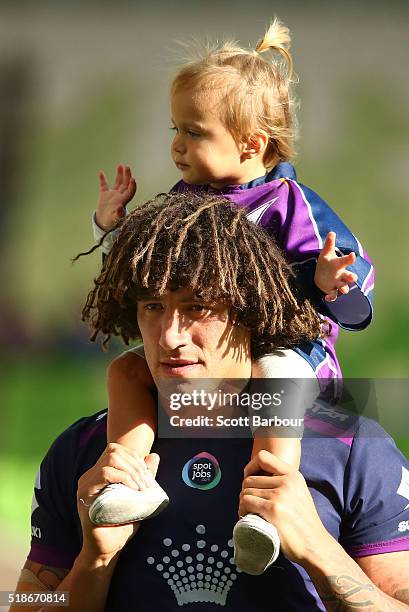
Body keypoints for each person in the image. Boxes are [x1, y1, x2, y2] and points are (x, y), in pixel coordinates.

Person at [14, 193, 408, 611]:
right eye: (153, 307)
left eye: (197, 307)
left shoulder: (354, 449)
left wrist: (319, 551)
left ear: (251, 311)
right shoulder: (86, 451)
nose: (169, 337)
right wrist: (95, 560)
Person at [85, 18, 375, 573]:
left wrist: (331, 280)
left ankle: (265, 509)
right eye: (174, 129)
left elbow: (352, 278)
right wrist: (112, 230)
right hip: (204, 365)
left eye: (193, 132)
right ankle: (133, 477)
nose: (176, 145)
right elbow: (155, 272)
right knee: (125, 372)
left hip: (290, 354)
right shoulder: (185, 201)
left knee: (273, 372)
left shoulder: (290, 205)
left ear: (251, 143)